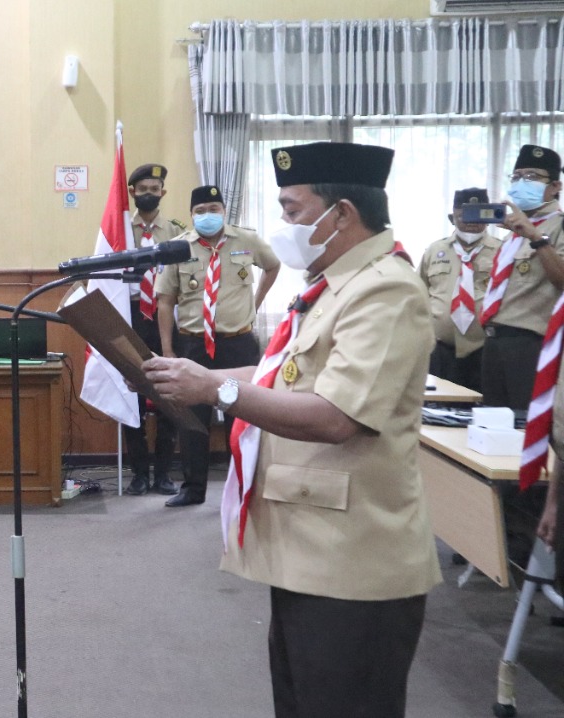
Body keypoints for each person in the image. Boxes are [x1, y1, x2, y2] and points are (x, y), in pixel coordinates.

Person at [146, 141, 442, 718]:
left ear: (342, 216)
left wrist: (215, 392)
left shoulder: (385, 289)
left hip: (355, 561)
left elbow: (337, 415)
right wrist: (196, 376)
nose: (284, 224)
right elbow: (279, 373)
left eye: (293, 209)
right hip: (313, 548)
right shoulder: (335, 284)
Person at [154, 184, 279, 507]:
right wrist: (168, 350)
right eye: (200, 211)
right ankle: (193, 489)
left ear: (224, 211)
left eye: (213, 209)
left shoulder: (246, 240)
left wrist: (256, 301)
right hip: (194, 344)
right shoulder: (179, 248)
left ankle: (245, 486)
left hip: (237, 343)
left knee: (243, 415)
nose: (207, 216)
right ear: (191, 214)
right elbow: (165, 301)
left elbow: (273, 265)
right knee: (192, 418)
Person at [480, 144, 564, 411]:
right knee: (493, 428)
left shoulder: (556, 227)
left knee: (525, 428)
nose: (520, 183)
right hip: (494, 341)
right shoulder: (513, 231)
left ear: (555, 186)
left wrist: (537, 239)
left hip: (531, 344)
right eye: (516, 177)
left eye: (531, 177)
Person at [122, 163, 180, 496]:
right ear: (132, 192)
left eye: (154, 189)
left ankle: (163, 474)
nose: (148, 194)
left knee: (168, 391)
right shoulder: (119, 229)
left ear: (163, 193)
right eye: (142, 189)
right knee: (133, 394)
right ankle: (139, 473)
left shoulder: (174, 231)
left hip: (163, 316)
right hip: (130, 315)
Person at [417, 188, 501, 393]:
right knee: (437, 407)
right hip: (439, 349)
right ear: (452, 217)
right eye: (464, 215)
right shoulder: (435, 251)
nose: (471, 221)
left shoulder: (503, 250)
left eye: (478, 214)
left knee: (482, 409)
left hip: (485, 349)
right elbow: (418, 294)